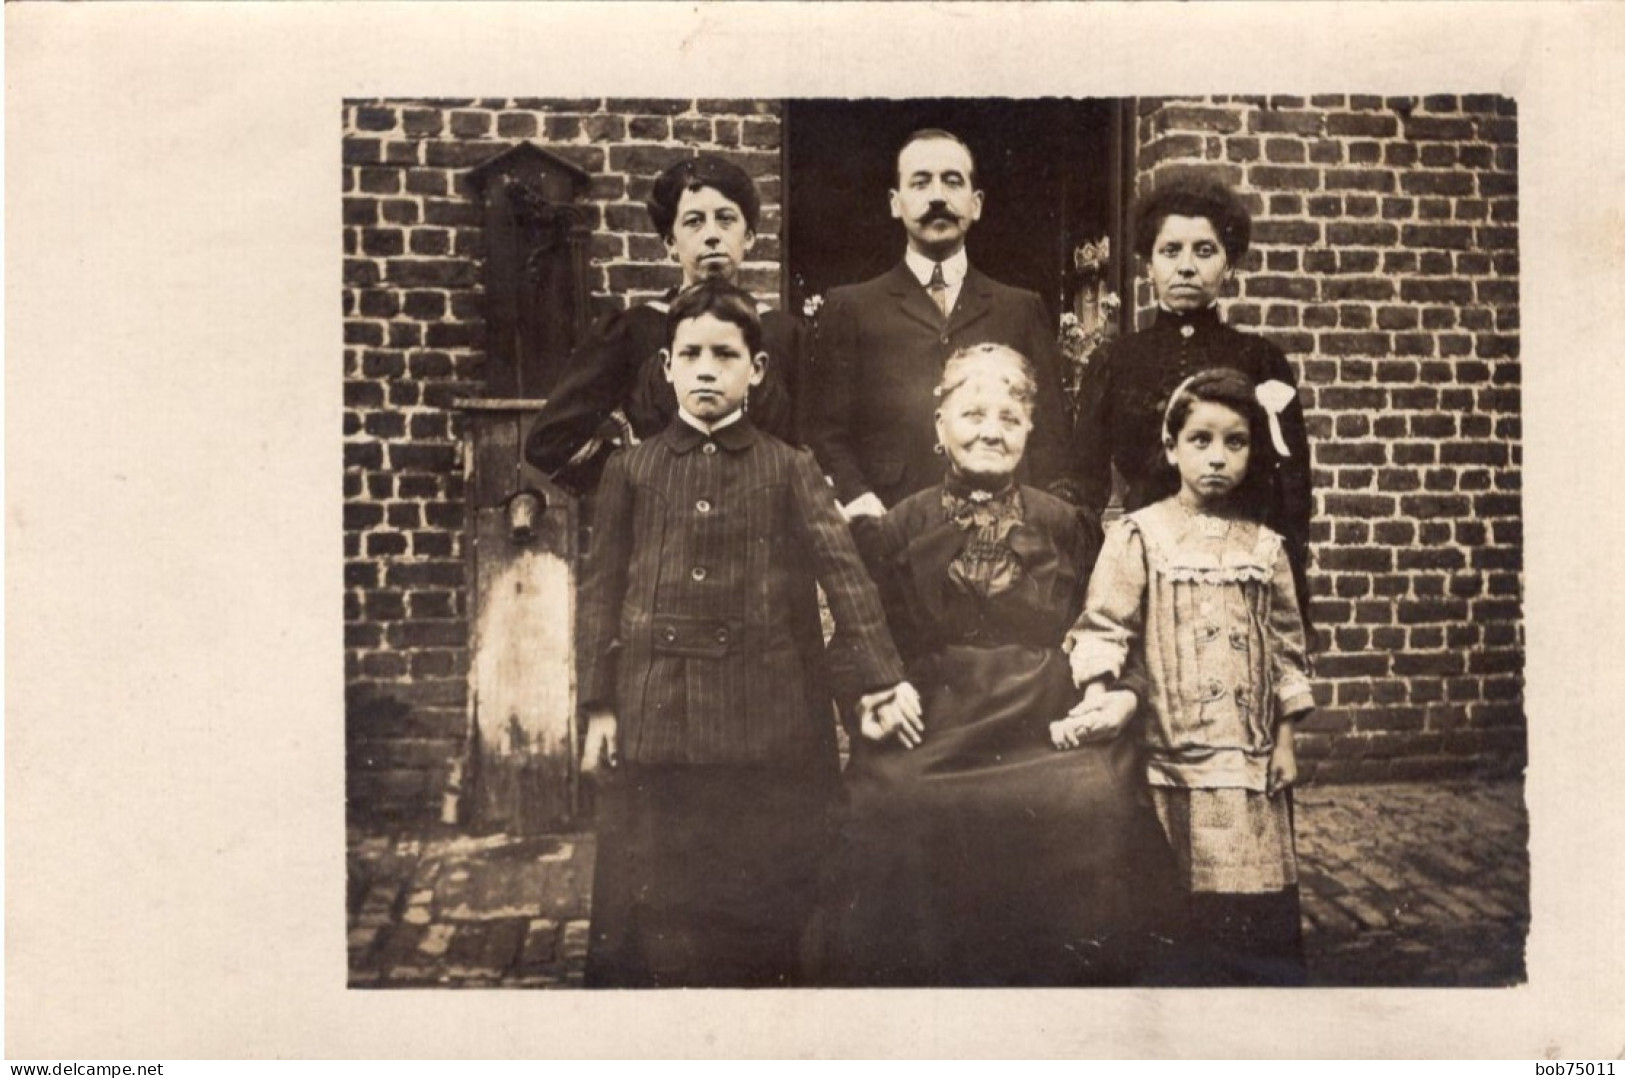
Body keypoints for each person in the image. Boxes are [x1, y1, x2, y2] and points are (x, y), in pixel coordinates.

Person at [574, 281, 917, 988]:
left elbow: (843, 576)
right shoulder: (629, 470)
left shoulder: (788, 468)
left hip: (763, 720)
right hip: (655, 714)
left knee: (759, 893)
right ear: (664, 367)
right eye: (689, 354)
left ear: (755, 372)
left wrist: (884, 678)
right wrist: (600, 704)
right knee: (667, 891)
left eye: (725, 355)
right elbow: (601, 594)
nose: (706, 369)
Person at [820, 344, 1182, 987]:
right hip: (933, 715)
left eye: (1010, 417)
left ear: (1030, 430)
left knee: (1094, 799)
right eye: (972, 413)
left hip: (1044, 716)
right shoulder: (898, 525)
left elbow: (1112, 625)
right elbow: (857, 638)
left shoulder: (1066, 522)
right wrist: (869, 697)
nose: (991, 429)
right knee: (895, 803)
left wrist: (1120, 695)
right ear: (939, 427)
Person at [1064, 368, 1315, 986]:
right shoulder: (1140, 537)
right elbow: (1104, 624)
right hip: (1168, 759)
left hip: (1251, 760)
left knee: (1250, 909)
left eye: (1235, 442)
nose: (1217, 458)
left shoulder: (1265, 548)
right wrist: (1098, 697)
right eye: (1200, 440)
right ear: (1171, 447)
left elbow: (1286, 649)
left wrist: (1285, 743)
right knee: (1176, 907)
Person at [1072, 173, 1314, 628]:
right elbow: (1083, 489)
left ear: (1229, 266)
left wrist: (1287, 596)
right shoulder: (1116, 361)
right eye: (1170, 251)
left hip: (1237, 577)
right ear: (1149, 266)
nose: (1186, 267)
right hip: (1145, 572)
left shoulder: (1261, 361)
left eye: (1204, 251)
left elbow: (1291, 497)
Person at [805, 128, 1078, 529]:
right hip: (892, 528)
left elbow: (1049, 434)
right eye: (920, 182)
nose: (937, 196)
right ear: (895, 203)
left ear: (976, 203)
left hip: (1002, 532)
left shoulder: (1021, 308)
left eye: (952, 181)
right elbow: (826, 432)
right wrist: (860, 501)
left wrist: (1035, 520)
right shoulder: (850, 307)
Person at [524, 154, 803, 495]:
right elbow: (550, 440)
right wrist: (635, 479)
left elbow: (812, 446)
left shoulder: (782, 334)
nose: (712, 235)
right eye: (694, 222)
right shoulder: (634, 331)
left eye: (726, 219)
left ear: (750, 237)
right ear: (671, 243)